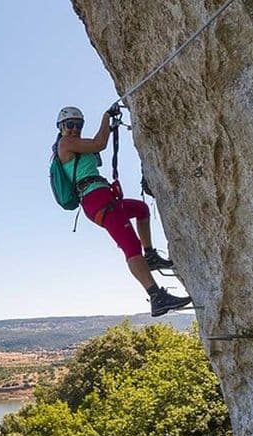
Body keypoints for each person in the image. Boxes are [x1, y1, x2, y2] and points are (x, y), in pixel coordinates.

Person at [54, 105, 192, 317]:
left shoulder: (76, 144)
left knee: (141, 209)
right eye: (70, 125)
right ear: (61, 127)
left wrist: (109, 126)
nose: (74, 128)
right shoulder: (65, 143)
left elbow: (98, 143)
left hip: (101, 197)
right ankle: (156, 296)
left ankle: (151, 256)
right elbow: (99, 143)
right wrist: (106, 117)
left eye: (78, 125)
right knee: (130, 244)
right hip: (96, 199)